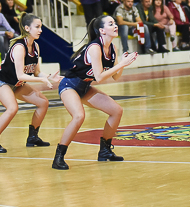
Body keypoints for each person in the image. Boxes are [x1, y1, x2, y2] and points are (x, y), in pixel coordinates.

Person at [52, 16, 139, 169]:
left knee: (116, 111)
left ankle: (105, 151)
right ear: (102, 30)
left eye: (115, 23)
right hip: (69, 85)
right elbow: (99, 77)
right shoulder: (95, 47)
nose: (115, 26)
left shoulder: (112, 48)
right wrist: (121, 64)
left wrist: (123, 64)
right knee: (79, 116)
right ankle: (59, 157)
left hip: (85, 86)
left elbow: (115, 77)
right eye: (110, 24)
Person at [0, 14, 60, 154]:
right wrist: (42, 80)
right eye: (37, 27)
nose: (40, 30)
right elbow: (20, 75)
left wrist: (50, 77)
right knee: (12, 108)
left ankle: (33, 137)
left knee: (43, 103)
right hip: (2, 81)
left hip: (17, 84)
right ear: (27, 28)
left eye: (41, 27)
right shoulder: (19, 47)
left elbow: (37, 72)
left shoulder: (36, 46)